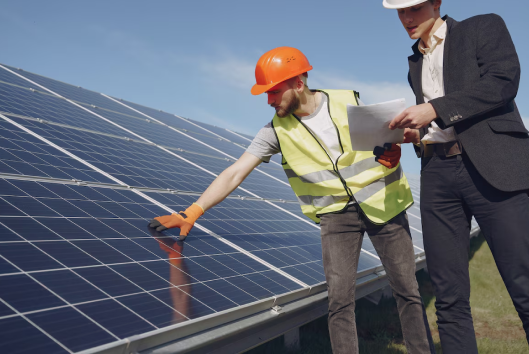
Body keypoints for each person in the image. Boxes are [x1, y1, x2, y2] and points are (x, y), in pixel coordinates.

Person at [149, 46, 435, 354]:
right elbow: (235, 172)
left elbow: (387, 139)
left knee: (407, 291)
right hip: (336, 217)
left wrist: (392, 150)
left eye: (274, 92)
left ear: (298, 83)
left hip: (383, 205)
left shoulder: (347, 102)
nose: (269, 100)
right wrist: (193, 211)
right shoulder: (275, 131)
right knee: (339, 302)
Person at [384, 0, 529, 353]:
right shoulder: (414, 61)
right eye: (400, 11)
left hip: (495, 168)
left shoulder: (483, 27)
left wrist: (434, 109)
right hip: (438, 174)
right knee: (448, 298)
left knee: (524, 285)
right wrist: (416, 133)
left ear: (436, 1)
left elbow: (503, 82)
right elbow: (437, 122)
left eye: (413, 8)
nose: (406, 18)